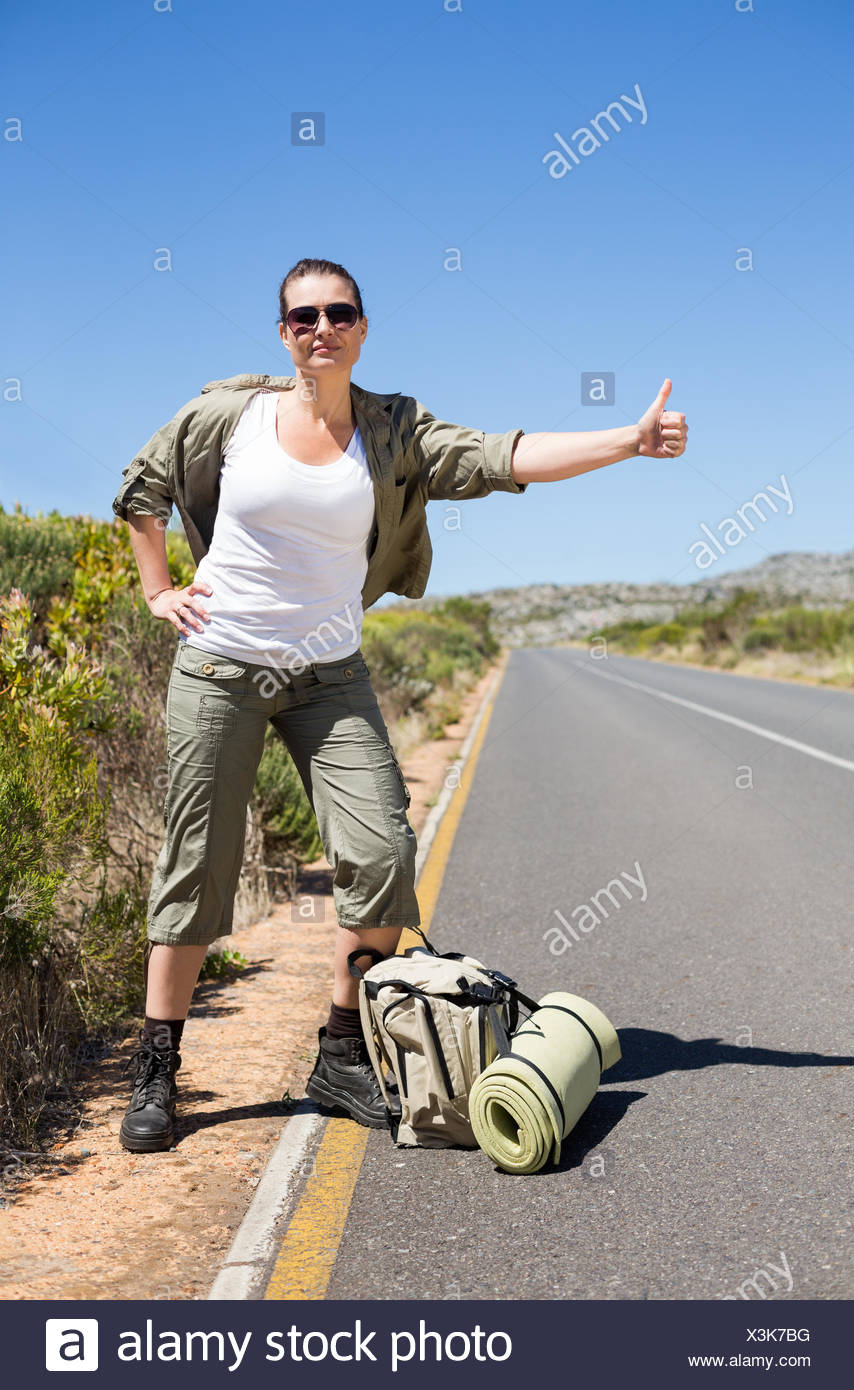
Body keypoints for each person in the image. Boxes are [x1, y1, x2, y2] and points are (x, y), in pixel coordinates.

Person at [112, 256, 688, 1152]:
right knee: (199, 860)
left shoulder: (394, 433)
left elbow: (506, 456)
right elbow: (140, 489)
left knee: (381, 849)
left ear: (363, 327)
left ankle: (341, 1046)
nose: (321, 330)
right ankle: (158, 1065)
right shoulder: (228, 417)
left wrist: (628, 439)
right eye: (303, 318)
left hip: (329, 676)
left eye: (338, 313)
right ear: (283, 334)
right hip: (221, 664)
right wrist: (158, 590)